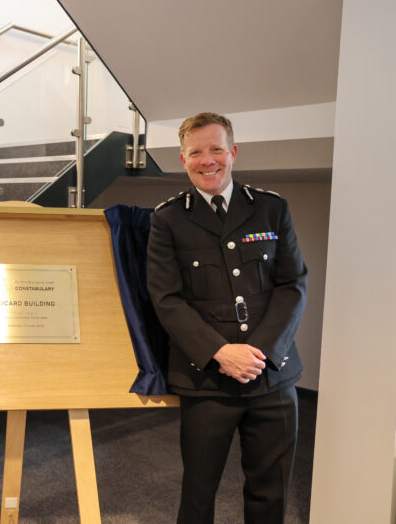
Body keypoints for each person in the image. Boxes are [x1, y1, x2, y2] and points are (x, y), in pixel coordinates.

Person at [146, 113, 307, 524]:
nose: (207, 160)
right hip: (207, 381)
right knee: (198, 495)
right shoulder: (167, 220)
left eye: (216, 148)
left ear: (233, 153)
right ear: (183, 160)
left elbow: (293, 285)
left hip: (271, 375)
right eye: (196, 152)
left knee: (270, 493)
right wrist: (220, 352)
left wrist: (261, 352)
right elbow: (167, 300)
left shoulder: (271, 209)